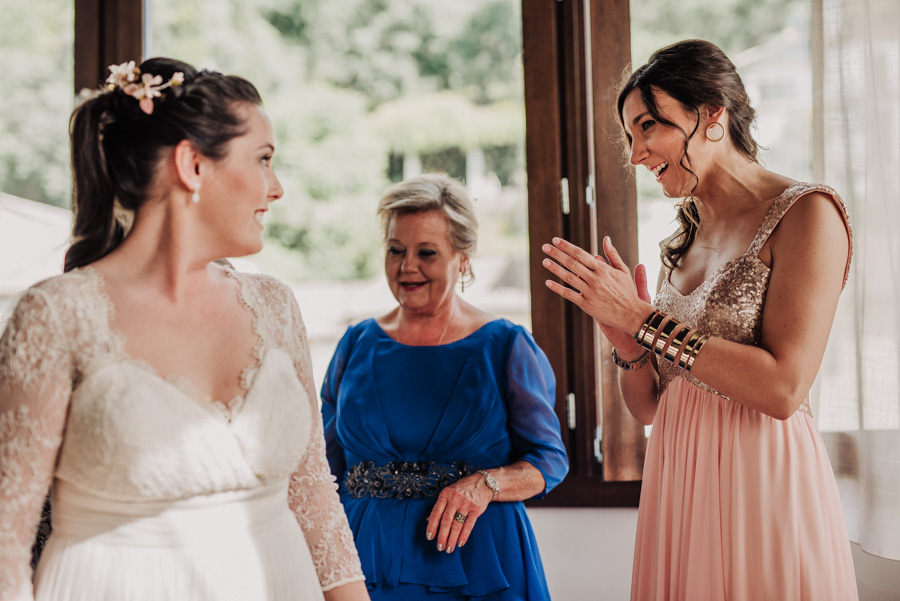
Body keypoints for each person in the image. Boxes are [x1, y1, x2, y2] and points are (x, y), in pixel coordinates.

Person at [0, 58, 369, 601]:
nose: (278, 187)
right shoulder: (56, 314)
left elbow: (313, 491)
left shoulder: (275, 306)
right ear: (192, 165)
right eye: (264, 160)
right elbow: (6, 539)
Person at [542, 40, 858, 600]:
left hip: (761, 477)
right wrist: (626, 341)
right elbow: (647, 406)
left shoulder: (807, 213)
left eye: (648, 126)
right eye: (630, 136)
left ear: (713, 114)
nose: (636, 153)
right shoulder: (682, 240)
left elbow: (784, 388)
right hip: (680, 476)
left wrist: (644, 319)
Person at [321, 174, 569, 601]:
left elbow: (549, 461)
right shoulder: (355, 344)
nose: (407, 266)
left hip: (479, 561)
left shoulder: (505, 346)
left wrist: (484, 485)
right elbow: (322, 467)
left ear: (463, 259)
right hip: (364, 561)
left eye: (427, 253)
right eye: (396, 250)